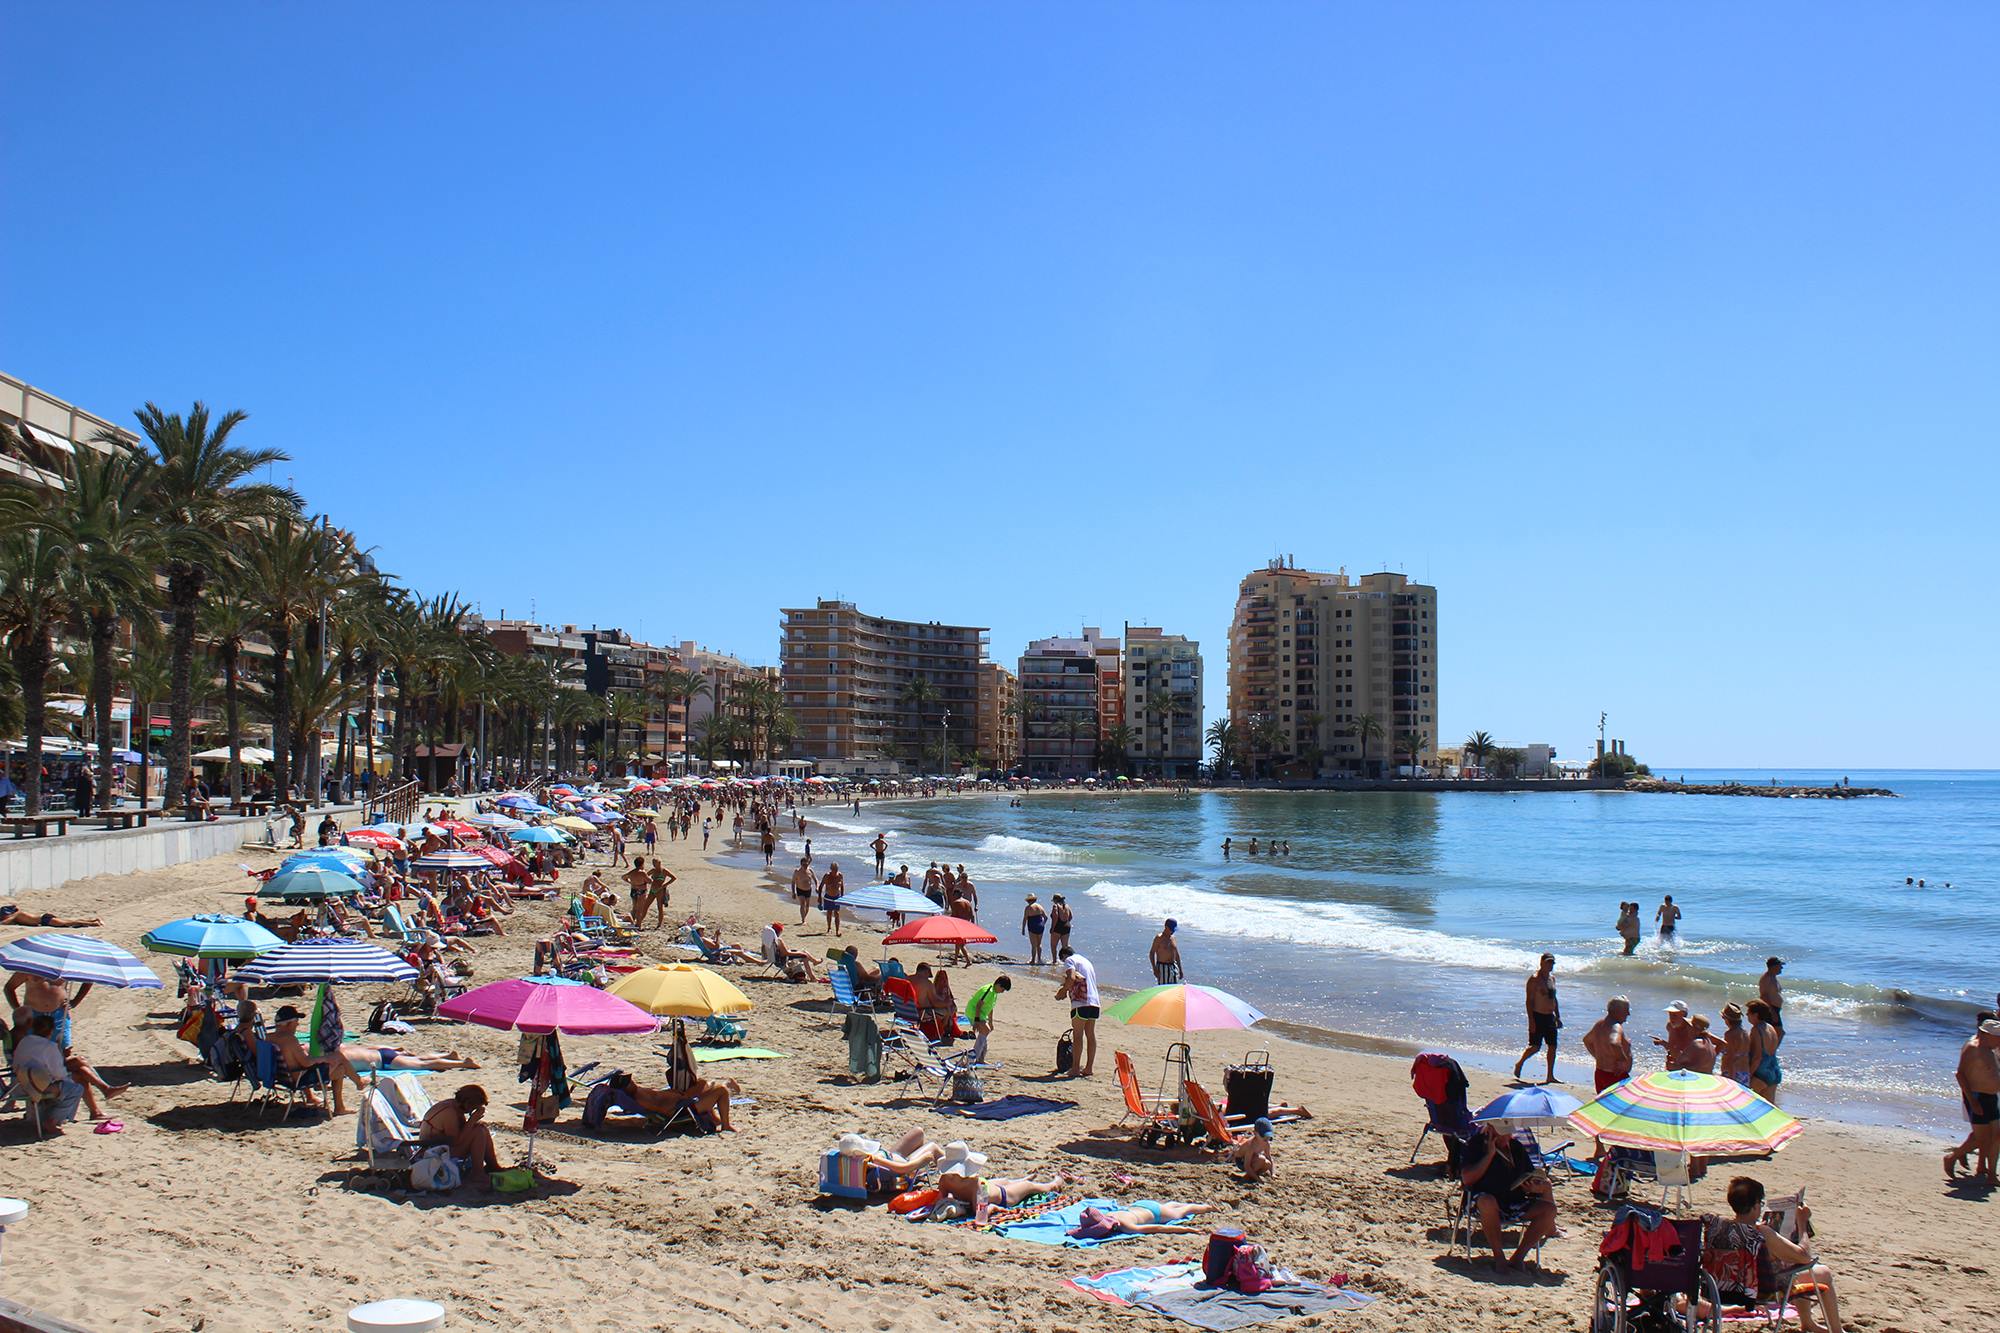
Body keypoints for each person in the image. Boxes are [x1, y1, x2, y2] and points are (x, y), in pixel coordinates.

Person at [1696, 1176, 1846, 1333]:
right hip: (1761, 1292)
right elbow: (1804, 1256)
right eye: (1760, 1204)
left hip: (1720, 1288)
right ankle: (1836, 1330)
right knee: (1822, 1272)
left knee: (1792, 1268)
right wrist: (1801, 1223)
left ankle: (1808, 1323)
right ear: (1754, 1206)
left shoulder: (1718, 1226)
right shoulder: (1762, 1233)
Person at [1460, 1120, 1558, 1270]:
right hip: (1482, 1201)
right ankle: (1499, 1257)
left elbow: (1527, 1175)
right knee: (1487, 1201)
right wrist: (1489, 1155)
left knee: (1549, 1209)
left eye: (1508, 1133)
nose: (1506, 1137)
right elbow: (1467, 1179)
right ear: (1491, 1130)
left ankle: (1518, 1257)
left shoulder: (1515, 1147)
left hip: (1513, 1200)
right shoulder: (1476, 1146)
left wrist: (1531, 1187)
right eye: (1502, 1133)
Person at [271, 1005, 362, 1115]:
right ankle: (356, 1086)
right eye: (296, 1021)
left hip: (281, 1077)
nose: (298, 1024)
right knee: (339, 1061)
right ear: (289, 1024)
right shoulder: (290, 1040)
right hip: (298, 1079)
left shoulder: (268, 1038)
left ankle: (312, 1097)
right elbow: (306, 1063)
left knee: (307, 1052)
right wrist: (325, 1058)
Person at [1946, 1018, 2000, 1185]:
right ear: (1986, 1034)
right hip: (1977, 1097)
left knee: (1996, 1136)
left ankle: (1990, 1173)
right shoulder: (1973, 1049)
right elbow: (1960, 1075)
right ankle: (1952, 1156)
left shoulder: (1991, 1050)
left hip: (1991, 1097)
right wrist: (1972, 1101)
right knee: (1982, 1138)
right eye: (1997, 1036)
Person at [9, 1012, 82, 1133]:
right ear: (51, 1031)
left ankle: (47, 1117)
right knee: (75, 1088)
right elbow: (59, 1074)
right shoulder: (49, 1047)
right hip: (34, 1086)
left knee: (65, 1083)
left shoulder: (25, 1041)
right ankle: (53, 1120)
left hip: (18, 1085)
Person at [605, 1069, 738, 1132]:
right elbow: (663, 1108)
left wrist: (673, 1093)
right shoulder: (641, 1098)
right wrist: (681, 1099)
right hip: (682, 1109)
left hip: (680, 1102)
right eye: (629, 1082)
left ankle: (726, 1087)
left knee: (702, 1083)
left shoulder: (637, 1093)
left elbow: (659, 1097)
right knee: (720, 1091)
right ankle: (725, 1124)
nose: (632, 1082)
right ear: (626, 1087)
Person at [419, 1084, 505, 1181]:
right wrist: (472, 1120)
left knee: (482, 1128)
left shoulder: (454, 1106)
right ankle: (477, 1172)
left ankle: (493, 1166)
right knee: (478, 1132)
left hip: (442, 1147)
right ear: (468, 1104)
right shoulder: (449, 1112)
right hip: (434, 1153)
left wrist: (473, 1122)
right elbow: (455, 1141)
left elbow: (461, 1133)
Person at [936, 1168, 1085, 1220]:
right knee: (1032, 1186)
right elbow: (981, 1214)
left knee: (1003, 1180)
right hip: (1005, 1197)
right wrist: (994, 1208)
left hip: (993, 1188)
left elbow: (940, 1200)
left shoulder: (944, 1179)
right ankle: (1057, 1181)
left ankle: (1019, 1180)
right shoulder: (976, 1184)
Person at [1511, 953, 1562, 1084]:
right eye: (1548, 962)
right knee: (1535, 1046)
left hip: (1550, 1016)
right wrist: (1531, 1021)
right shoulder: (1534, 979)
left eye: (1552, 963)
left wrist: (1558, 1016)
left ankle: (1550, 1075)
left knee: (1552, 1046)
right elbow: (1529, 1001)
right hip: (1538, 1016)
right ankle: (1520, 1063)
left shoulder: (1552, 979)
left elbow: (1554, 999)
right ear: (1542, 963)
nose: (1550, 965)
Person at [1067, 1200, 1221, 1240]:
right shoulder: (1111, 1215)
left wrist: (1188, 1229)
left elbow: (1159, 1228)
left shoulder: (1127, 1226)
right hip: (1140, 1205)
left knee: (1182, 1212)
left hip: (1155, 1213)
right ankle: (1172, 1204)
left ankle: (1207, 1207)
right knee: (1169, 1207)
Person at [1057, 945, 1100, 1078]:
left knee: (1077, 1035)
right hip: (1094, 1002)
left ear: (1064, 956)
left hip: (1081, 1001)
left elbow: (1071, 977)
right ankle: (1089, 1068)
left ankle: (1075, 1068)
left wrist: (1062, 992)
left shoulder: (1070, 961)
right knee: (1090, 1034)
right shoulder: (1087, 962)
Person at [1582, 996, 1634, 1093]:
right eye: (1626, 1010)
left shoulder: (1599, 1024)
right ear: (1617, 1011)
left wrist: (1597, 1056)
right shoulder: (1616, 1027)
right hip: (1615, 1076)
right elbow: (1614, 1043)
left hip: (1600, 1073)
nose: (1628, 1014)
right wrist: (1623, 1060)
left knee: (1605, 1105)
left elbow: (1586, 1041)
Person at [341, 1044, 481, 1073]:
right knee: (419, 1059)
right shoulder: (343, 1047)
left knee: (423, 1065)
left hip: (384, 1062)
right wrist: (393, 1048)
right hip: (383, 1052)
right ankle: (448, 1055)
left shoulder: (337, 1058)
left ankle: (463, 1063)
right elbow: (366, 1046)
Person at [964, 974, 1009, 1061]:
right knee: (985, 1031)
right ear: (998, 985)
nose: (1003, 992)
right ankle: (972, 1058)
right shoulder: (988, 991)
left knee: (985, 1031)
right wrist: (976, 1021)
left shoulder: (995, 993)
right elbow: (978, 1005)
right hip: (973, 1012)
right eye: (1003, 989)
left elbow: (990, 1008)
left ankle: (980, 1058)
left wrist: (991, 1022)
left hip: (981, 1014)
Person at [1746, 1000, 1783, 1099]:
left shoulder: (1756, 1030)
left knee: (1747, 1101)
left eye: (1748, 1013)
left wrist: (1748, 1074)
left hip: (1761, 1073)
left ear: (1756, 1014)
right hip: (1774, 1070)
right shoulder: (1770, 1028)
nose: (1747, 1016)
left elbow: (1757, 1057)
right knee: (1769, 1107)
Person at [1229, 1116, 1276, 1181]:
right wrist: (1258, 1179)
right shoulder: (1251, 1145)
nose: (1266, 1139)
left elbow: (1269, 1157)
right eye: (1263, 1136)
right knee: (1261, 1159)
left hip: (1253, 1158)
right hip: (1241, 1160)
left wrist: (1272, 1174)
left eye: (1268, 1136)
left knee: (1268, 1164)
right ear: (1255, 1133)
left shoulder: (1266, 1143)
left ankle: (1253, 1175)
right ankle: (1247, 1177)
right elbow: (1247, 1165)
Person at [1656, 1001, 1697, 1071]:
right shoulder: (1670, 1026)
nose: (1671, 1018)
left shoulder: (1693, 1029)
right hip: (1674, 1064)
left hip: (1689, 1068)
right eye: (1670, 1015)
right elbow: (1671, 1049)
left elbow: (1720, 1043)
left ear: (1683, 1014)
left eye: (1675, 1015)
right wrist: (1662, 1043)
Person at [1718, 1003, 1752, 1083]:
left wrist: (1731, 1079)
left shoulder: (1730, 1034)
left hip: (1732, 1073)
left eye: (1723, 1018)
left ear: (1727, 1019)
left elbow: (1731, 1058)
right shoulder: (1745, 1032)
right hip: (1745, 1072)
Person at [0, 905, 103, 928]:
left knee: (67, 923)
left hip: (44, 920)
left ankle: (94, 923)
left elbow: (4, 923)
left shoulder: (15, 915)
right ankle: (93, 920)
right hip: (44, 918)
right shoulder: (18, 914)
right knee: (67, 921)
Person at [1149, 919, 1183, 984]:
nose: (1173, 932)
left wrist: (1180, 970)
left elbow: (1177, 955)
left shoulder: (1173, 938)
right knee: (1163, 989)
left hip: (1173, 967)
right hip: (1162, 967)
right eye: (1172, 930)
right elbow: (1152, 953)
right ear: (1166, 928)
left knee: (1173, 990)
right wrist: (1154, 968)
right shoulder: (1159, 938)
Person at [819, 861, 846, 936]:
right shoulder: (827, 876)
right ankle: (829, 928)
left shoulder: (840, 875)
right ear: (831, 869)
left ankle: (837, 930)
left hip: (837, 897)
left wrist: (842, 897)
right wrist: (819, 898)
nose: (835, 871)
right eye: (834, 869)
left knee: (837, 913)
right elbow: (821, 886)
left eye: (836, 869)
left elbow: (842, 886)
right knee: (829, 912)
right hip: (828, 897)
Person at [1020, 894, 1049, 965]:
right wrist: (1043, 924)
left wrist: (1023, 929)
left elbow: (1025, 919)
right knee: (1039, 944)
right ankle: (1039, 959)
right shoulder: (1040, 906)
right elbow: (1046, 917)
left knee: (1033, 945)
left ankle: (1033, 960)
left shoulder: (1028, 907)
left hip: (1032, 926)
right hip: (1040, 926)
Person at [1760, 958, 1786, 1033]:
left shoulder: (1773, 977)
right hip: (1770, 1009)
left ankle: (1770, 1045)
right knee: (1779, 1032)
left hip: (1775, 1009)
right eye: (1780, 966)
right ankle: (1770, 1045)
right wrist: (1772, 1011)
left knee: (1775, 1033)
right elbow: (1764, 996)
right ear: (1773, 967)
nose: (1782, 968)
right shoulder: (1766, 978)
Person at [791, 857, 816, 926]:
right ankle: (803, 920)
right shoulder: (797, 871)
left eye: (806, 864)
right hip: (800, 889)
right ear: (801, 864)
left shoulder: (810, 870)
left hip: (808, 890)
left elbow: (815, 879)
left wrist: (817, 887)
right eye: (804, 864)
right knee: (802, 904)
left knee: (807, 906)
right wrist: (793, 892)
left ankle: (804, 917)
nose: (805, 866)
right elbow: (793, 882)